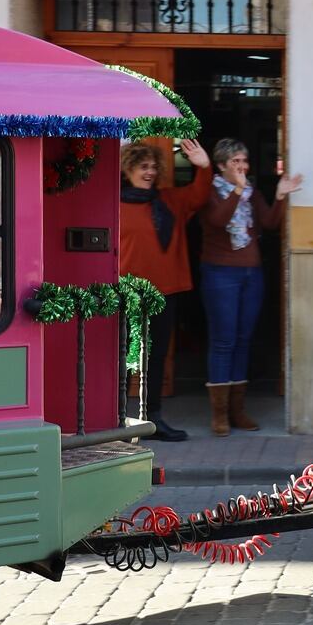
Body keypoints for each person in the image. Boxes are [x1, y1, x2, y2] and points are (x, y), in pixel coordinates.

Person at [197, 139, 304, 436]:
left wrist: (280, 196)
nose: (243, 167)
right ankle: (219, 415)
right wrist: (237, 191)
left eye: (244, 161)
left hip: (251, 274)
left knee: (244, 340)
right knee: (223, 341)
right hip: (220, 274)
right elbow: (218, 220)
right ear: (221, 166)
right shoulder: (210, 191)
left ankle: (238, 411)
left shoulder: (251, 191)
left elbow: (269, 223)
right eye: (235, 162)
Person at [117, 137, 213, 442]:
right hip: (126, 292)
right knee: (122, 357)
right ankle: (115, 419)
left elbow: (198, 196)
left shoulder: (169, 201)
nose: (149, 172)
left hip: (163, 290)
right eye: (142, 167)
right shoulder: (111, 202)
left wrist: (204, 166)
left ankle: (151, 418)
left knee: (155, 357)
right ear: (128, 169)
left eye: (153, 167)